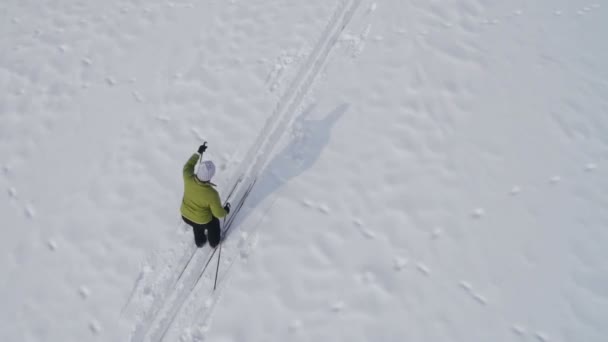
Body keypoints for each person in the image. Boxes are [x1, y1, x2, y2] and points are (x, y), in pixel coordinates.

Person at [180, 144, 231, 248]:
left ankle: (200, 241)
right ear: (210, 177)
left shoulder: (188, 177)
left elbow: (188, 166)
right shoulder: (212, 194)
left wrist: (198, 153)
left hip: (185, 216)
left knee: (196, 225)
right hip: (201, 220)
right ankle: (214, 242)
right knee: (213, 222)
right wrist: (225, 210)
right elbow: (218, 213)